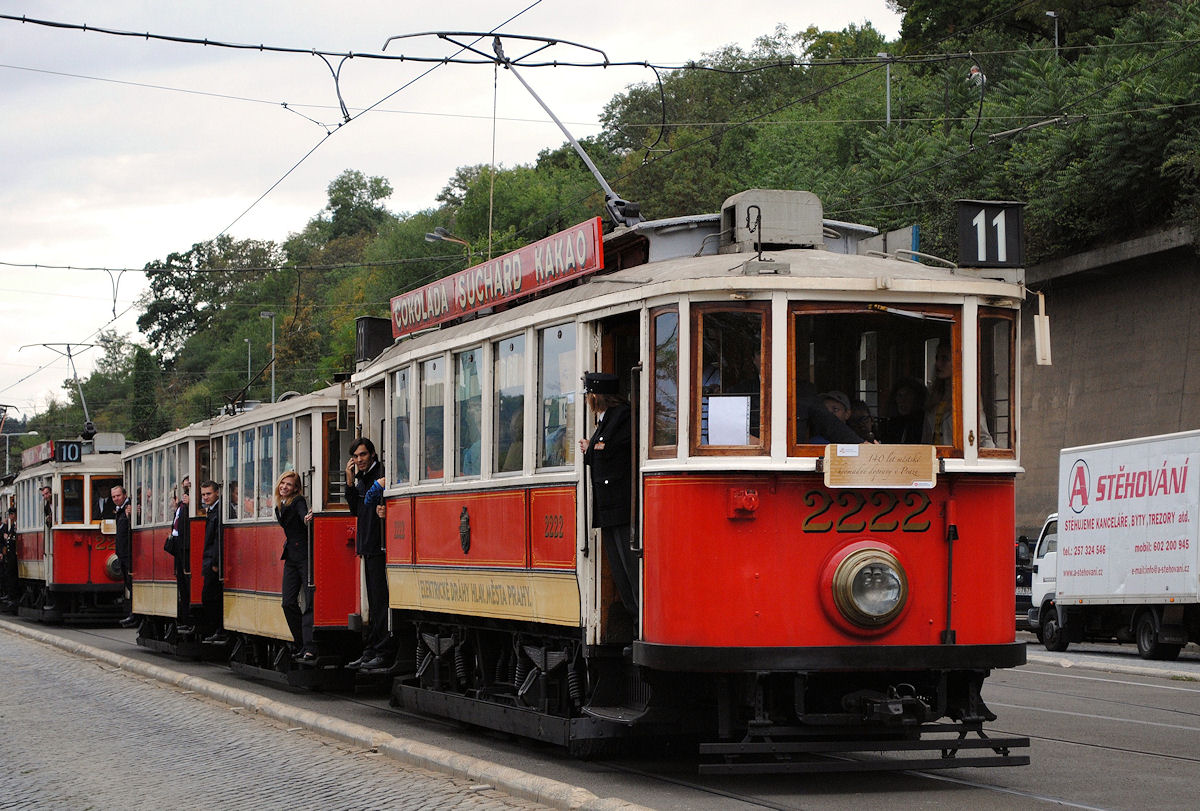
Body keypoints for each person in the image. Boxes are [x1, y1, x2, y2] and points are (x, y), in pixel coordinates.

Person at [578, 372, 638, 620]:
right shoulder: (605, 421)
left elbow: (610, 453)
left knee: (629, 569)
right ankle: (634, 616)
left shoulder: (621, 416)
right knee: (618, 570)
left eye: (588, 395)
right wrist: (592, 447)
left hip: (620, 506)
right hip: (608, 509)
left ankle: (637, 620)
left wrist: (591, 447)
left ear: (595, 397)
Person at [344, 438, 394, 671]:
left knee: (380, 601)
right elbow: (356, 509)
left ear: (372, 455)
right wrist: (349, 481)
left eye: (363, 455)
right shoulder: (362, 478)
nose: (359, 459)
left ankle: (381, 650)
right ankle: (371, 650)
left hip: (379, 545)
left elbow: (378, 503)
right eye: (355, 456)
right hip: (368, 545)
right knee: (373, 603)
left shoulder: (381, 474)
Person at [274, 471, 316, 663]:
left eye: (289, 485)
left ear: (296, 488)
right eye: (283, 483)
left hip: (304, 556)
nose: (285, 487)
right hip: (291, 556)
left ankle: (309, 646)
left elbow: (302, 515)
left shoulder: (298, 501)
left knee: (309, 600)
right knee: (287, 602)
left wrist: (307, 519)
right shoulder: (280, 505)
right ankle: (300, 643)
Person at [922, 341, 995, 448]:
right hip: (933, 460)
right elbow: (926, 439)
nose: (938, 364)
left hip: (955, 461)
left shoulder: (967, 397)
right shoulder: (934, 396)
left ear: (957, 362)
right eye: (937, 358)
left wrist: (991, 460)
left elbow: (983, 437)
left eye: (945, 359)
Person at [199, 480, 229, 644]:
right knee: (209, 597)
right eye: (203, 495)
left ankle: (220, 629)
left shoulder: (219, 511)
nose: (205, 497)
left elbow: (219, 538)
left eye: (208, 494)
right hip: (210, 560)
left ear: (217, 493)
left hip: (214, 561)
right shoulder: (211, 511)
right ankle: (217, 629)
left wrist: (216, 562)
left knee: (211, 597)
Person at [112, 485, 137, 628]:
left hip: (129, 554)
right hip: (122, 554)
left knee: (132, 584)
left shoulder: (129, 508)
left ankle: (134, 614)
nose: (116, 499)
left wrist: (132, 515)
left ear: (124, 495)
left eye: (118, 496)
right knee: (128, 584)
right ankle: (133, 613)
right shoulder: (120, 510)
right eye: (114, 496)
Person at [170, 477, 192, 634]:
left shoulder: (189, 507)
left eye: (188, 489)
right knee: (182, 587)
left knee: (187, 585)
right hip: (178, 548)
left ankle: (189, 619)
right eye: (184, 490)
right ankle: (184, 618)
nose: (185, 493)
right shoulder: (180, 507)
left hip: (186, 549)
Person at [0, 507, 18, 610]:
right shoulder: (11, 526)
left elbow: (12, 538)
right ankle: (10, 595)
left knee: (11, 575)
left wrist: (8, 537)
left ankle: (12, 596)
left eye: (10, 515)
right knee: (9, 574)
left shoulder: (14, 525)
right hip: (10, 555)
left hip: (13, 556)